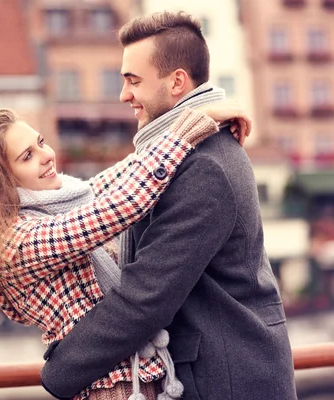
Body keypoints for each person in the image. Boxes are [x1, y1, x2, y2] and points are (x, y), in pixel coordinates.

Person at [39, 11, 297, 400]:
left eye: (133, 81)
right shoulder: (186, 151)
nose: (123, 94)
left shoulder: (204, 166)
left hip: (228, 379)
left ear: (177, 82)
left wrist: (60, 371)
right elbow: (108, 193)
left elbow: (147, 296)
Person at [0, 100, 250, 400]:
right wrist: (192, 124)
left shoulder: (63, 203)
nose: (46, 156)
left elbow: (131, 170)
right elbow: (121, 204)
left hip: (137, 378)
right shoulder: (14, 243)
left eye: (41, 142)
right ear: (0, 181)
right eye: (27, 156)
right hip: (109, 388)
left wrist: (205, 123)